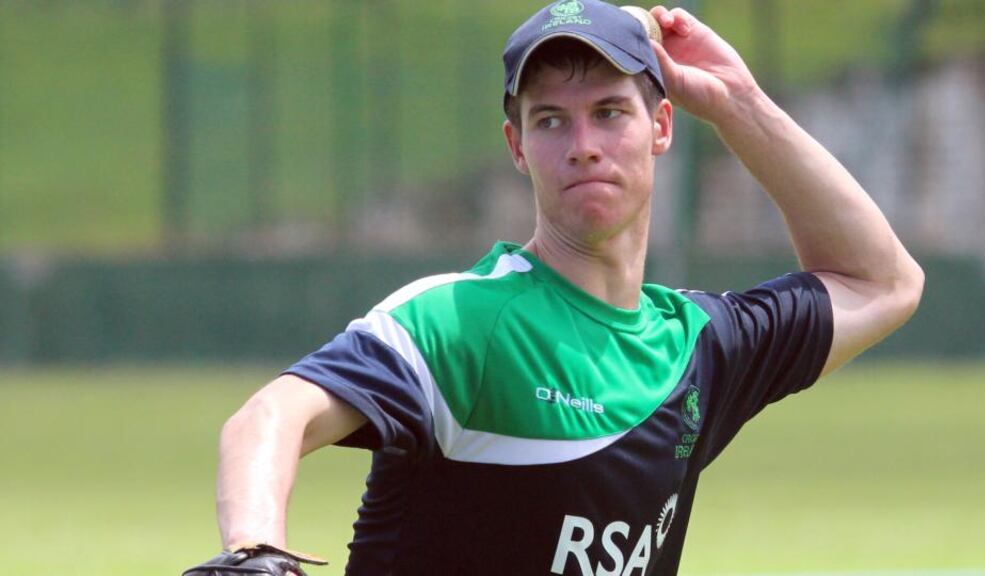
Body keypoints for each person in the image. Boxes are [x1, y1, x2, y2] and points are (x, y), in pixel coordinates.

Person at [184, 1, 924, 575]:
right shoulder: (465, 321)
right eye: (550, 121)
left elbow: (882, 281)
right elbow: (270, 418)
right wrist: (254, 550)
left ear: (662, 125)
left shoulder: (699, 350)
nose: (583, 146)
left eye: (609, 112)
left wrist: (737, 101)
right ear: (517, 145)